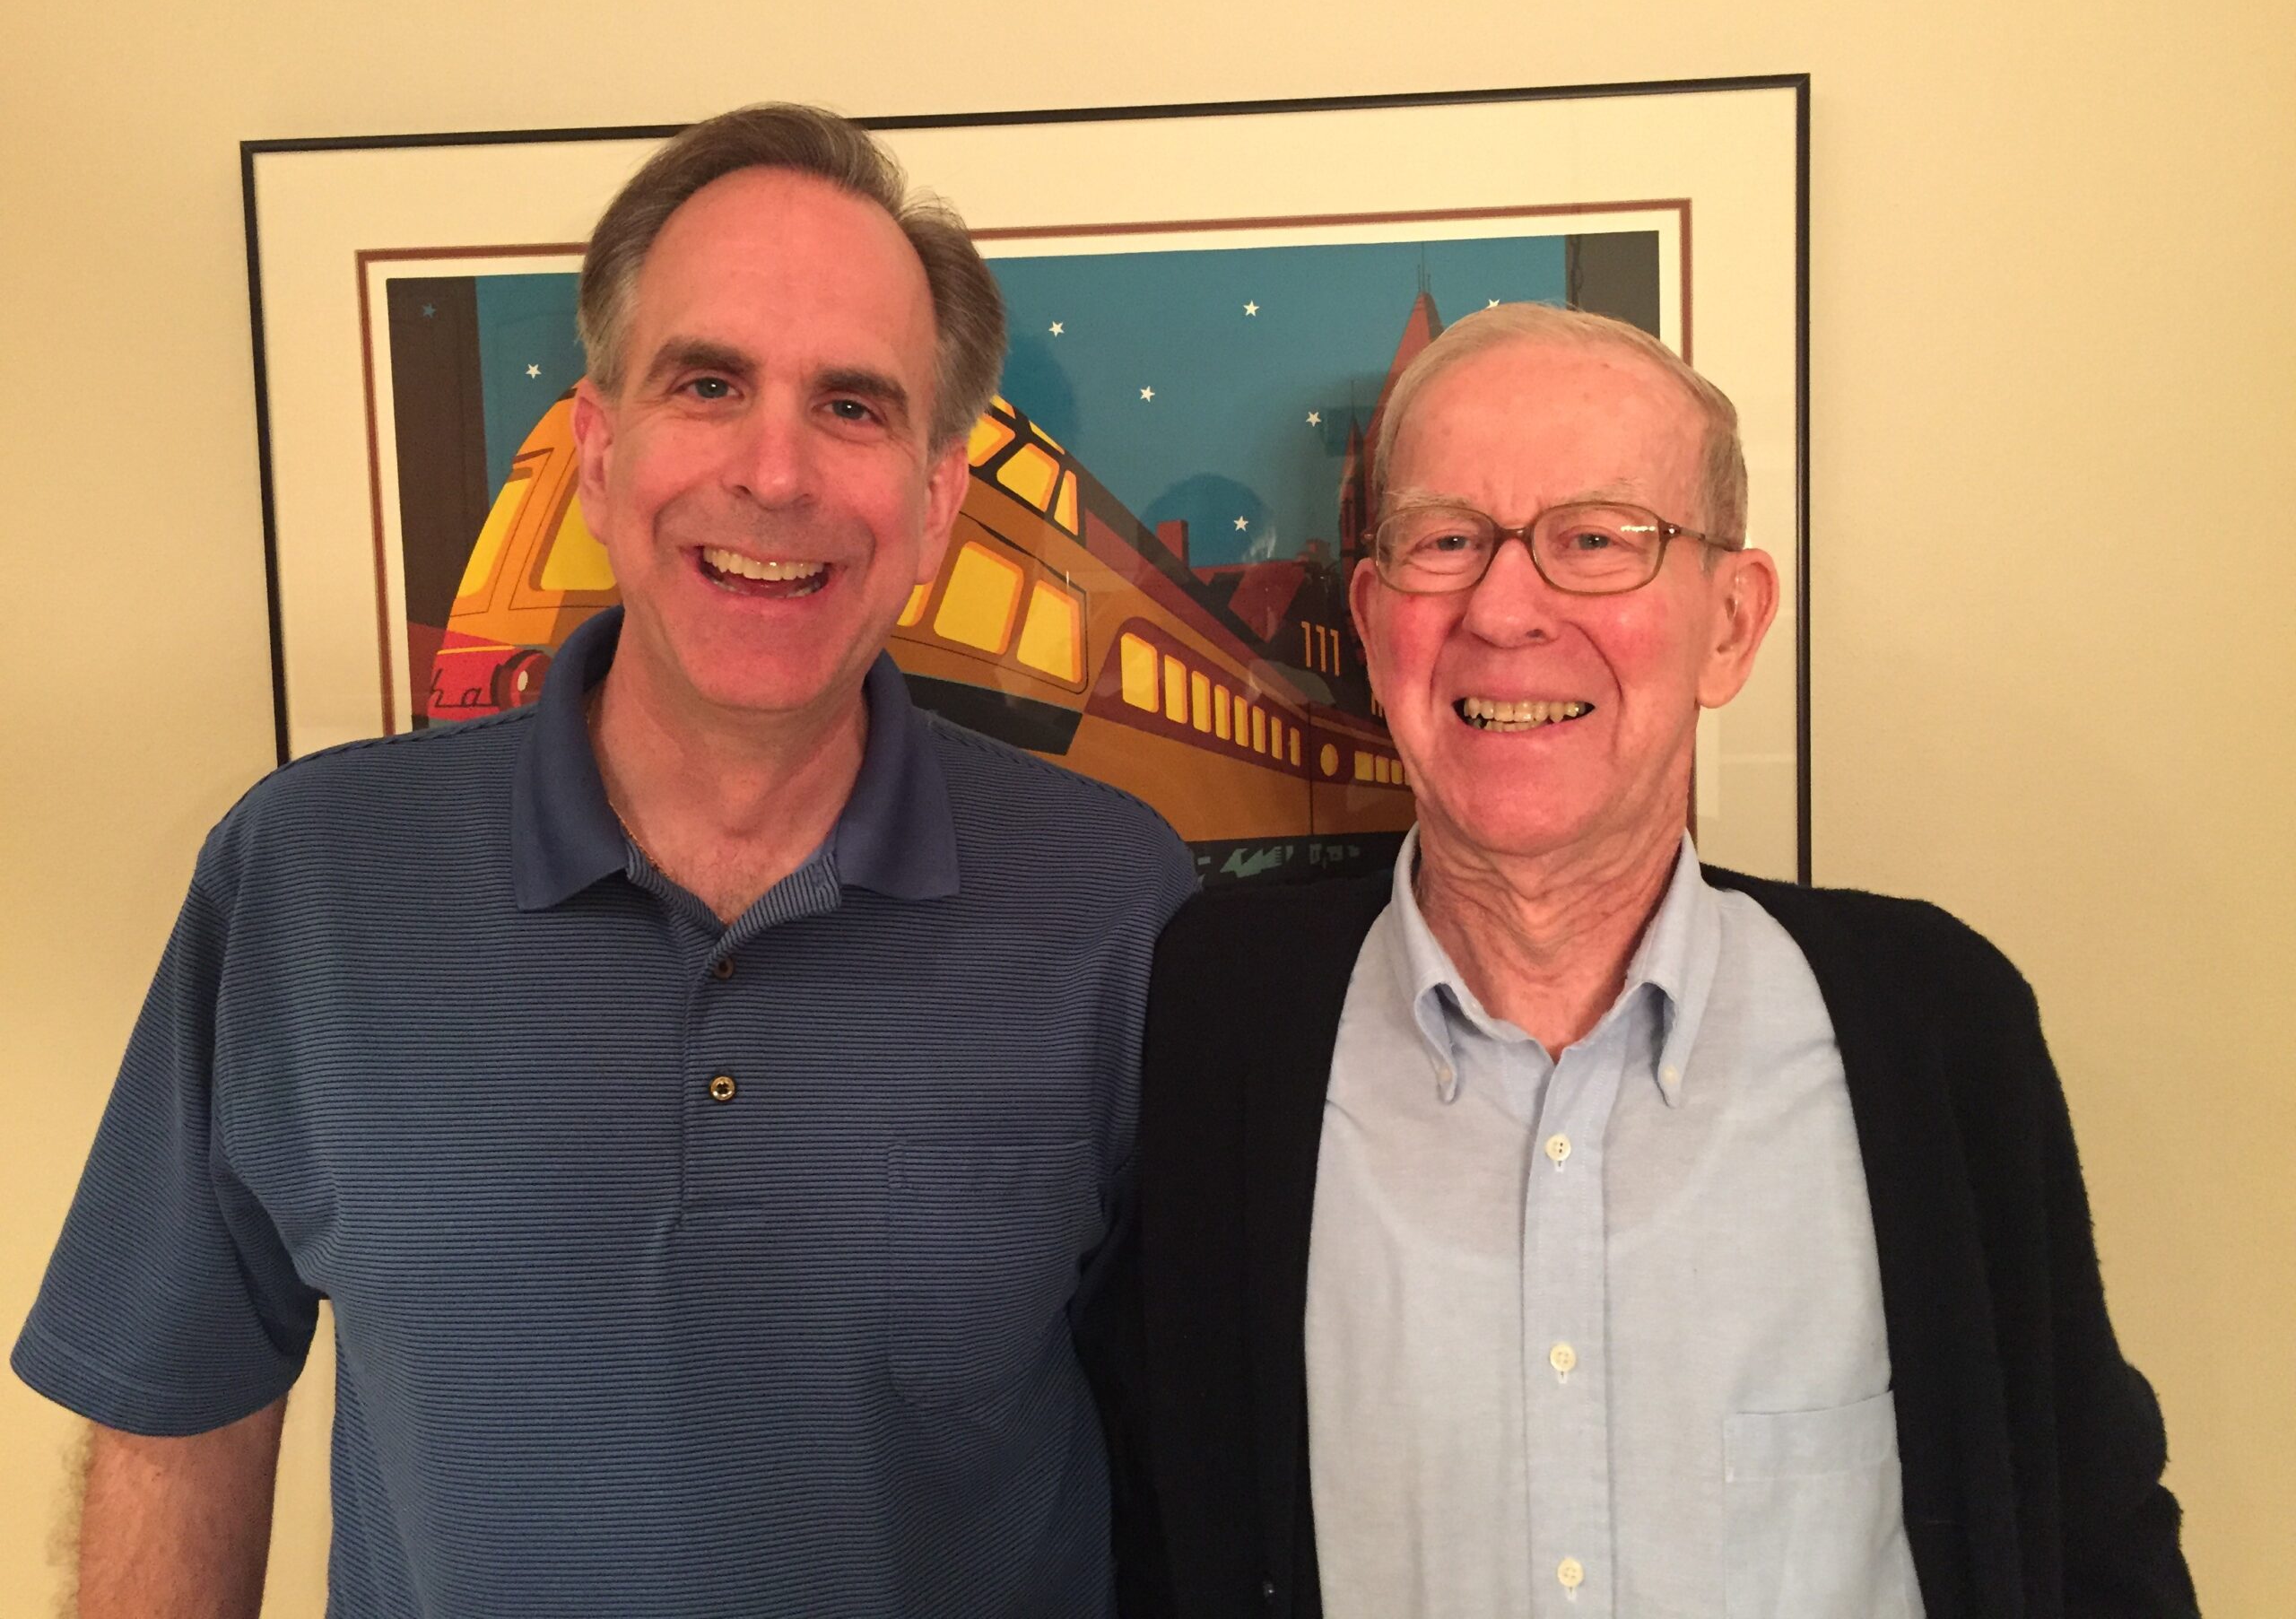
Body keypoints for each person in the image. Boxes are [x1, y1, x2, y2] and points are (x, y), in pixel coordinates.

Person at [15, 104, 1197, 1618]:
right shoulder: (307, 881)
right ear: (596, 450)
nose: (774, 472)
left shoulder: (1113, 901)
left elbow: (1187, 1444)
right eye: (708, 384)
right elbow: (176, 1417)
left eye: (851, 405)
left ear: (933, 502)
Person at [1104, 303, 2197, 1618]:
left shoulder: (1939, 1027)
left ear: (1731, 624)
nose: (1504, 609)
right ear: (1378, 617)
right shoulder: (1210, 1016)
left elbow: (2094, 1542)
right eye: (1446, 541)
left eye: (1596, 540)